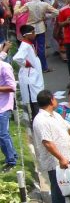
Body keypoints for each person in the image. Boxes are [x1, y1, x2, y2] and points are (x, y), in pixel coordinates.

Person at [33, 89, 70, 203]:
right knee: (58, 192)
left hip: (67, 158)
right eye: (54, 99)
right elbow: (47, 143)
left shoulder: (55, 115)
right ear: (51, 100)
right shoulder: (41, 120)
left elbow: (69, 128)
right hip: (56, 163)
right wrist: (61, 158)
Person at [13, 25, 44, 117]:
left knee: (36, 97)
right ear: (26, 35)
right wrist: (26, 63)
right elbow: (17, 58)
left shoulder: (29, 44)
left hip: (35, 75)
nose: (35, 34)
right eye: (33, 33)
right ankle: (36, 118)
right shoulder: (25, 46)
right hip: (30, 76)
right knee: (34, 99)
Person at [0, 42, 17, 171]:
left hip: (4, 106)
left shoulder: (5, 67)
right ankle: (12, 155)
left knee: (3, 134)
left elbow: (12, 87)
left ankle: (11, 161)